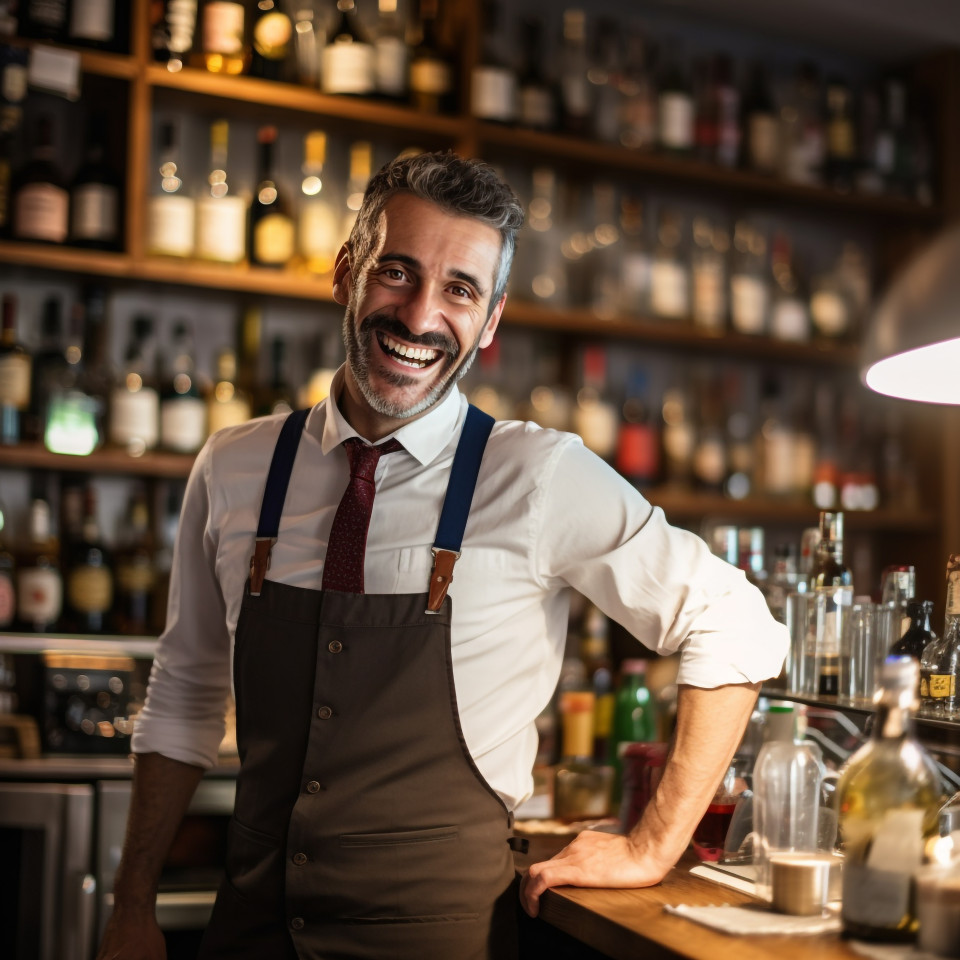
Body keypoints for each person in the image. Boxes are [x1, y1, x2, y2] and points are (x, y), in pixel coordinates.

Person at [96, 151, 788, 960]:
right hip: (248, 935)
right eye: (397, 272)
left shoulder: (538, 475)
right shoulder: (234, 465)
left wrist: (651, 845)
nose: (421, 315)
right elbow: (183, 693)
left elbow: (733, 621)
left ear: (490, 322)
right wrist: (131, 903)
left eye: (460, 290)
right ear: (346, 273)